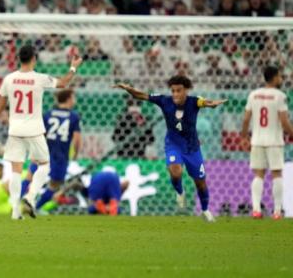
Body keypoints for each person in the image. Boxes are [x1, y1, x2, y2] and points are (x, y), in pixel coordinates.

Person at [0, 45, 83, 220]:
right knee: (44, 166)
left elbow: (0, 104)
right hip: (34, 129)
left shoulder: (10, 79)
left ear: (19, 59)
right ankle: (30, 196)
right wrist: (73, 67)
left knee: (15, 171)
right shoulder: (40, 79)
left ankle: (15, 210)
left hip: (15, 129)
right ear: (34, 59)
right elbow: (64, 82)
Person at [114, 76, 227, 222]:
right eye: (173, 91)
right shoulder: (164, 100)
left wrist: (212, 104)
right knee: (175, 170)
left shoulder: (194, 101)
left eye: (178, 91)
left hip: (192, 148)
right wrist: (129, 89)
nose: (175, 94)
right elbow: (142, 95)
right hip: (173, 145)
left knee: (200, 182)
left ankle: (205, 210)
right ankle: (180, 192)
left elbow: (205, 102)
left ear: (185, 90)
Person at [240, 66, 293, 220]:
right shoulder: (280, 96)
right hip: (274, 141)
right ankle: (277, 212)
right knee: (277, 174)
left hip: (257, 140)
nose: (281, 79)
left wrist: (244, 137)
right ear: (275, 77)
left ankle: (256, 210)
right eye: (280, 76)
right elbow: (284, 121)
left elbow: (245, 119)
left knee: (259, 174)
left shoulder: (253, 95)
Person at [23, 89, 81, 211]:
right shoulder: (74, 117)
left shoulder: (48, 114)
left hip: (44, 151)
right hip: (61, 156)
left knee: (29, 177)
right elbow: (77, 139)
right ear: (69, 98)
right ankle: (35, 207)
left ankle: (17, 202)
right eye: (73, 97)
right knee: (55, 184)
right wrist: (75, 153)